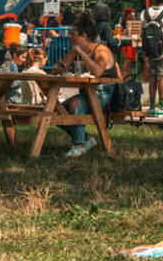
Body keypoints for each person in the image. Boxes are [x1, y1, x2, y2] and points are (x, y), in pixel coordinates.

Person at [50, 13, 120, 157]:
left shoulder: (101, 51)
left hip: (101, 96)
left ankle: (79, 146)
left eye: (73, 34)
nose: (69, 36)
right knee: (54, 110)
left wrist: (81, 53)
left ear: (84, 36)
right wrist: (61, 65)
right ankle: (87, 139)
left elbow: (97, 72)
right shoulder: (76, 49)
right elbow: (58, 69)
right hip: (86, 94)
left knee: (76, 103)